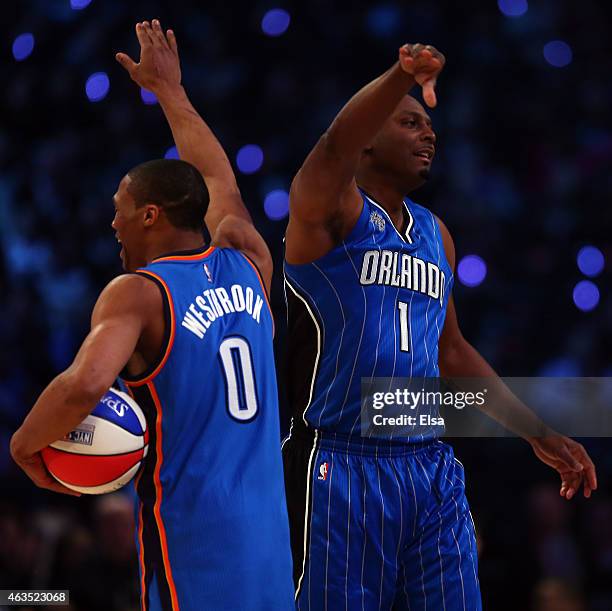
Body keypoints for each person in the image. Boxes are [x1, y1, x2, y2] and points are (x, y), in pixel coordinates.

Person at [281, 43, 597, 610]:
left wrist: (538, 433)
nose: (429, 136)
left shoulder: (437, 235)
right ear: (370, 138)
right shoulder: (330, 212)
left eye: (430, 126)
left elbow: (452, 354)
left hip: (430, 463)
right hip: (347, 460)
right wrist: (400, 74)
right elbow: (333, 146)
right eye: (409, 122)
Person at [10, 20, 295, 611]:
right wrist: (172, 92)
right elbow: (219, 181)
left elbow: (85, 384)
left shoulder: (138, 293)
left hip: (190, 542)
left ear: (150, 216)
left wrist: (24, 445)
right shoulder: (250, 260)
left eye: (122, 209)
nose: (112, 222)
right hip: (268, 544)